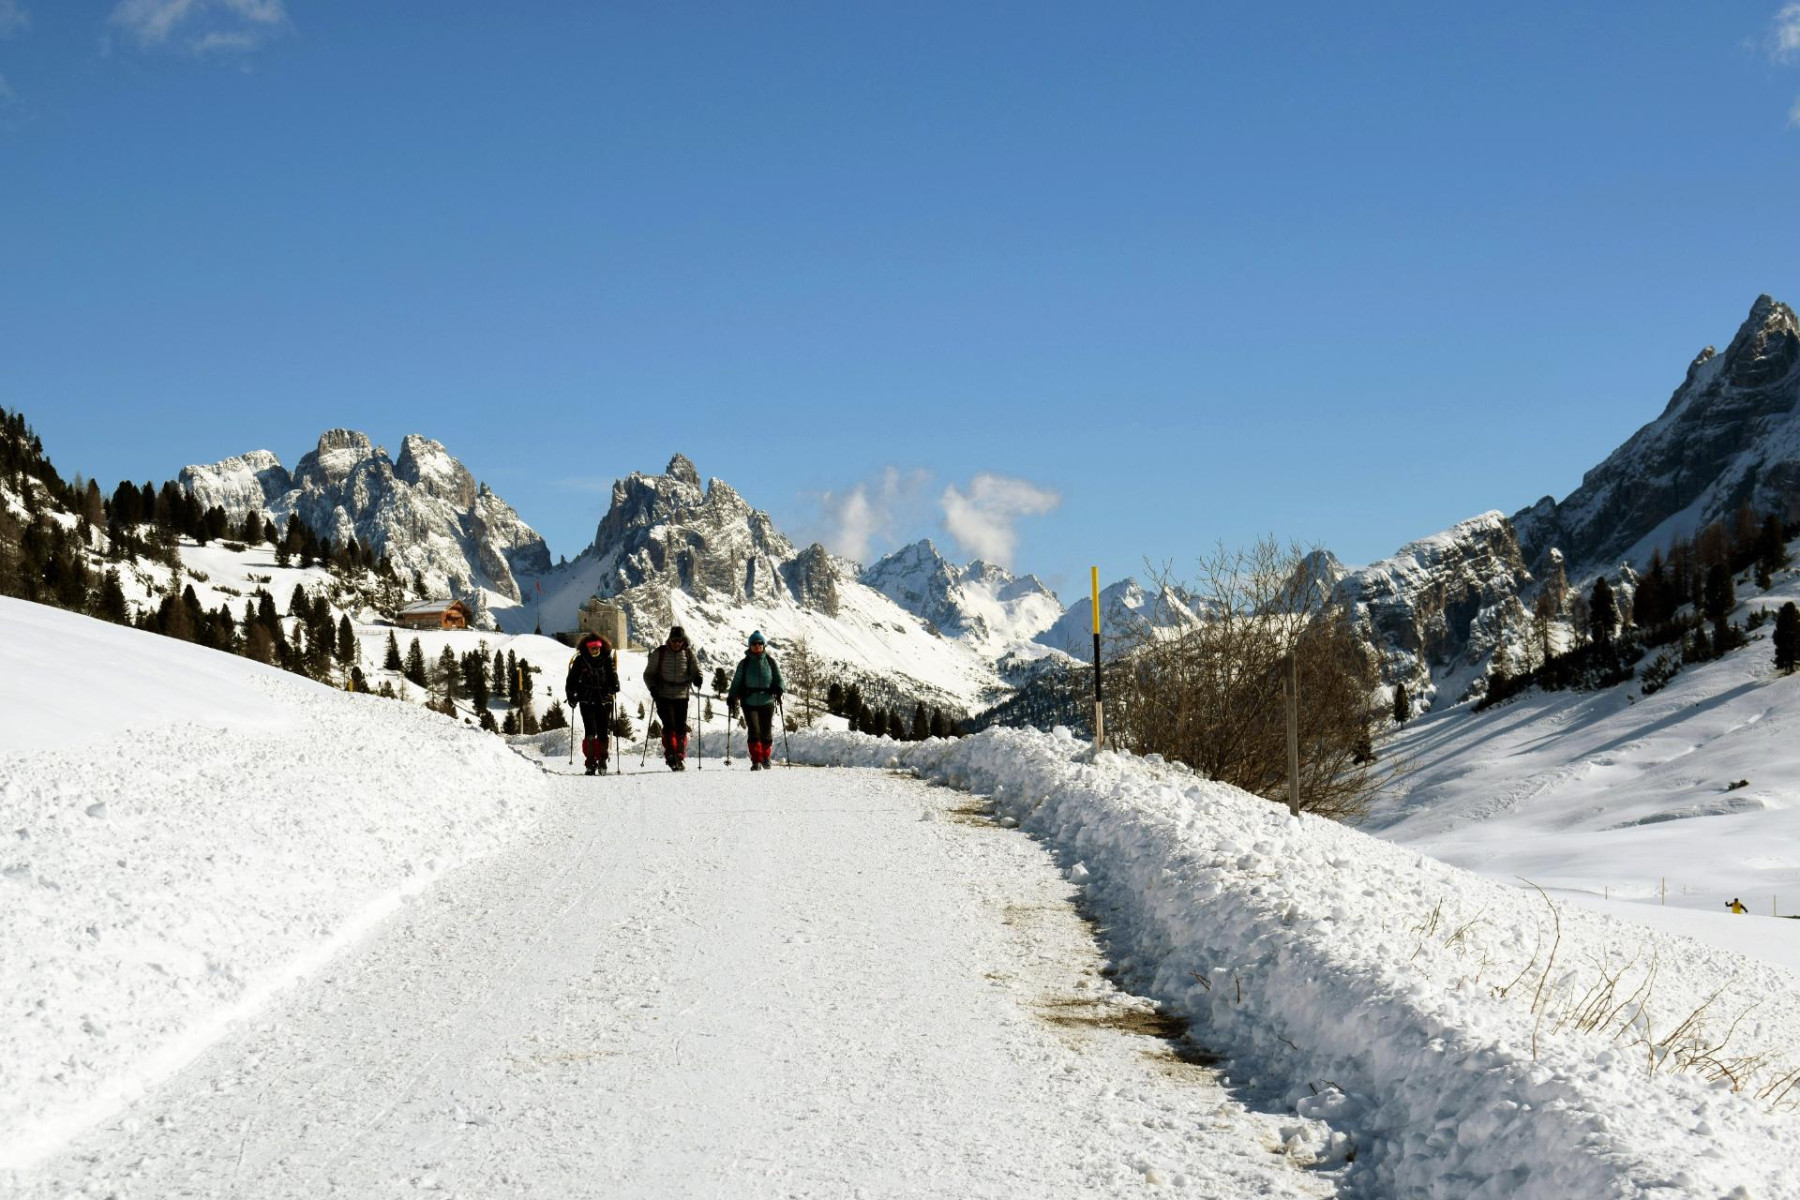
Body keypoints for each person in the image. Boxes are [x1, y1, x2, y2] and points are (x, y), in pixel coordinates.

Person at [643, 624, 702, 770]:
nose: (676, 644)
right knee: (669, 725)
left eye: (679, 641)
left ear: (683, 641)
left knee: (680, 727)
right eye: (674, 640)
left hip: (682, 695)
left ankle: (680, 756)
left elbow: (696, 670)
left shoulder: (688, 653)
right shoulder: (660, 652)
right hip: (663, 694)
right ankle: (671, 755)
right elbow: (648, 674)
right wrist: (653, 688)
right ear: (670, 639)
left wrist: (698, 678)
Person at [727, 630, 784, 771]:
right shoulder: (744, 664)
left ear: (764, 646)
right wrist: (731, 696)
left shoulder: (770, 662)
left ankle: (766, 757)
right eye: (754, 644)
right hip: (749, 702)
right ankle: (756, 760)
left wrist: (779, 689)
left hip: (767, 702)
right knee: (754, 730)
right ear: (749, 646)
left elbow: (779, 679)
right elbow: (736, 682)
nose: (757, 646)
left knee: (766, 732)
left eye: (759, 643)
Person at [564, 632, 619, 776]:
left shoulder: (607, 659)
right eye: (592, 647)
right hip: (587, 699)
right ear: (586, 647)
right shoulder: (580, 660)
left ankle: (601, 759)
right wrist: (571, 694)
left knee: (602, 730)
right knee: (590, 731)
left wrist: (615, 686)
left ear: (601, 646)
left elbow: (613, 677)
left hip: (603, 699)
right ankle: (590, 762)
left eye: (597, 646)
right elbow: (571, 680)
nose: (595, 649)